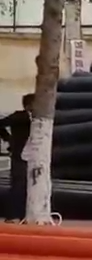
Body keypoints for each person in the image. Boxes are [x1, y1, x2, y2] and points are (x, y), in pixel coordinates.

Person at [0, 93, 33, 222]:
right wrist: (8, 139)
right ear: (29, 105)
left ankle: (25, 215)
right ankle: (11, 215)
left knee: (30, 186)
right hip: (20, 156)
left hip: (34, 157)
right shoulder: (20, 116)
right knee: (19, 185)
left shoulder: (41, 120)